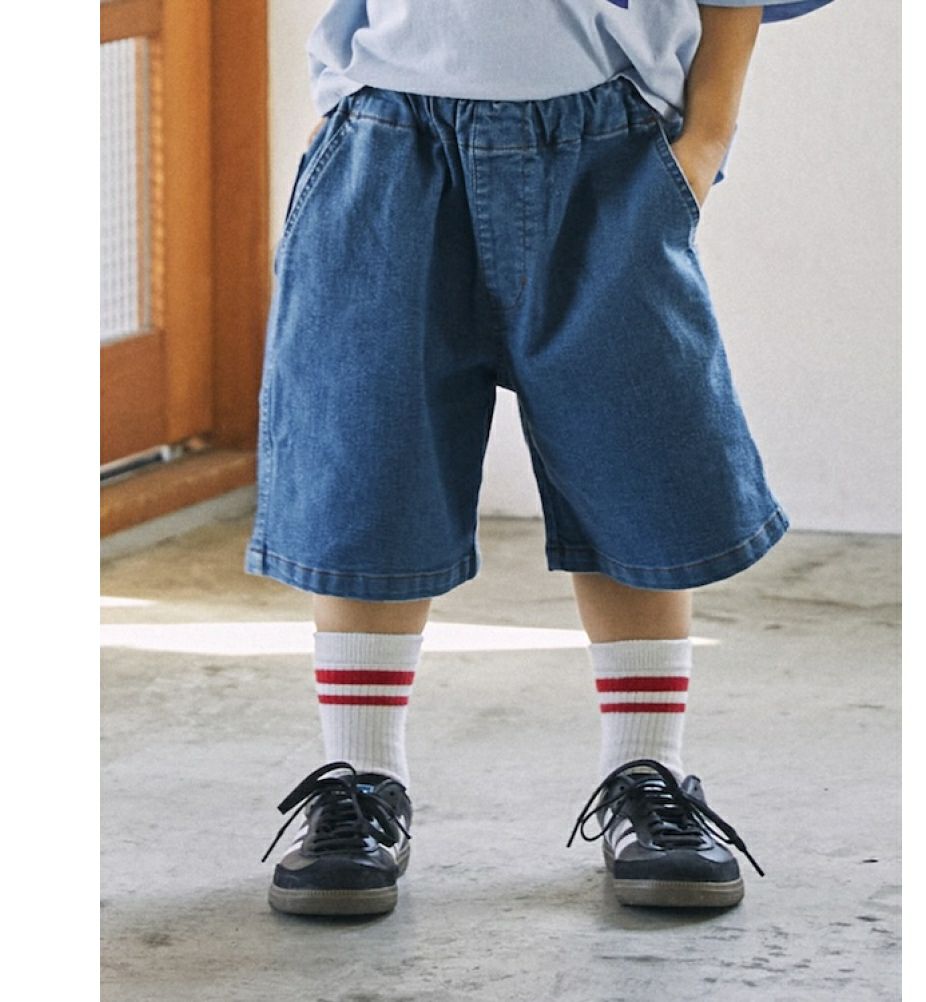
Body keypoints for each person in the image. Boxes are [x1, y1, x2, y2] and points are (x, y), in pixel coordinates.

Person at [248, 0, 835, 917]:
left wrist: (705, 140)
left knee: (631, 456)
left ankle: (646, 773)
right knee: (372, 457)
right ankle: (361, 781)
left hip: (605, 143)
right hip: (389, 138)